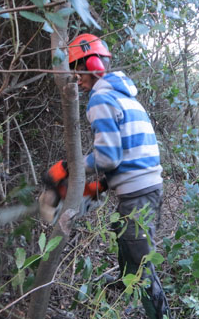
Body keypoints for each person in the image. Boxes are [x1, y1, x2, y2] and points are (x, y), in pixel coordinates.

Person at [46, 34, 170, 318]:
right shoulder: (124, 96)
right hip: (148, 186)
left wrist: (70, 166)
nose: (76, 77)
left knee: (141, 263)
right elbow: (127, 152)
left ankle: (159, 313)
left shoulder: (100, 98)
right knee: (124, 235)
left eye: (77, 68)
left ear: (90, 64)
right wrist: (101, 184)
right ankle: (122, 284)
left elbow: (108, 157)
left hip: (138, 192)